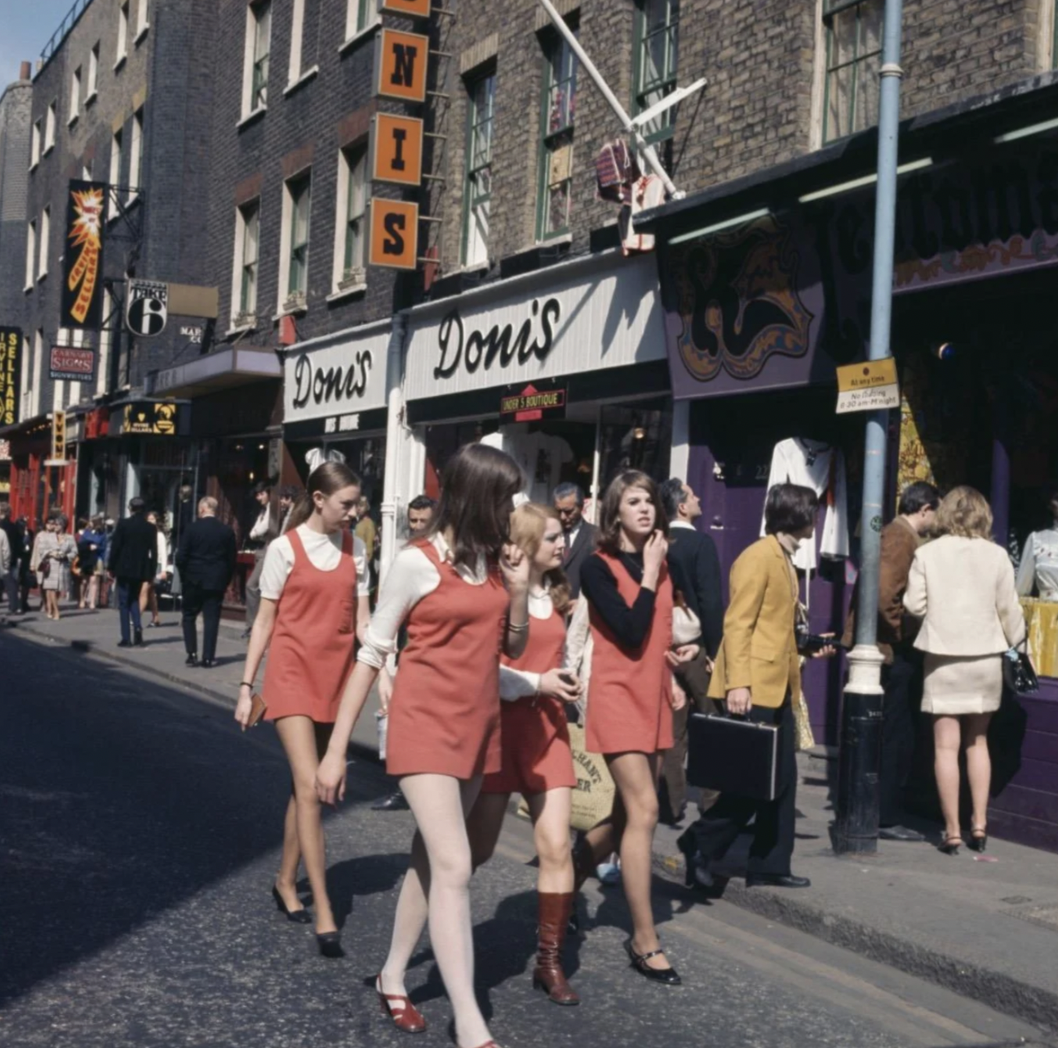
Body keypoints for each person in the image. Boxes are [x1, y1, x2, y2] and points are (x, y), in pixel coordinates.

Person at [315, 443, 530, 1048]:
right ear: (475, 496)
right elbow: (372, 652)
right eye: (504, 497)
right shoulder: (414, 561)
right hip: (423, 725)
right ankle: (470, 1020)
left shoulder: (492, 563)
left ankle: (391, 975)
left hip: (477, 726)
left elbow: (510, 649)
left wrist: (516, 589)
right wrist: (336, 750)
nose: (511, 509)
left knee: (431, 861)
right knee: (456, 865)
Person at [234, 462, 370, 956]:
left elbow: (364, 625)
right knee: (314, 788)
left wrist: (389, 675)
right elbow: (265, 621)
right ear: (318, 498)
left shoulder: (358, 551)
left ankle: (286, 880)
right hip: (289, 677)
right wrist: (247, 686)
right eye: (346, 504)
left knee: (302, 786)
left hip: (335, 679)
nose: (354, 513)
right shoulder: (283, 549)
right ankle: (327, 910)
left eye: (356, 504)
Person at [680, 483, 828, 891]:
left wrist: (807, 646)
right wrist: (739, 685)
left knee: (782, 782)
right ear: (796, 515)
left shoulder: (783, 557)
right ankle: (700, 841)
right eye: (812, 513)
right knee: (753, 781)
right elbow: (738, 623)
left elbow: (774, 626)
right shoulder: (757, 557)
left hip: (778, 685)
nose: (816, 521)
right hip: (754, 686)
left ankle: (770, 863)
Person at [466, 503, 582, 1005]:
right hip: (498, 731)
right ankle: (427, 918)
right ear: (527, 544)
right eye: (553, 537)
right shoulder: (496, 595)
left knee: (557, 847)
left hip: (548, 731)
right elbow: (483, 670)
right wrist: (540, 681)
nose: (563, 544)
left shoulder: (559, 595)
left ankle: (549, 963)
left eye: (563, 536)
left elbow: (565, 657)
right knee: (476, 852)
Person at [572, 470, 684, 986]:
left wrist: (681, 657)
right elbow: (630, 628)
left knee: (624, 815)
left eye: (651, 501)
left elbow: (658, 630)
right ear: (614, 510)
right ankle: (644, 938)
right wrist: (650, 572)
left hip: (655, 695)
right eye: (633, 501)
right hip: (617, 697)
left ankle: (569, 874)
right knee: (646, 809)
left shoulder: (661, 563)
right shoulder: (598, 567)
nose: (645, 509)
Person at [903, 486, 1026, 855]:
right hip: (985, 658)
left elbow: (913, 605)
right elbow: (1011, 613)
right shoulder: (997, 556)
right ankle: (980, 825)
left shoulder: (928, 553)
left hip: (942, 658)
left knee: (945, 747)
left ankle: (952, 832)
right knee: (978, 743)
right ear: (982, 516)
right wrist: (1020, 647)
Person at [842, 480, 940, 841]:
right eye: (936, 511)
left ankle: (875, 810)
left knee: (886, 734)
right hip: (888, 653)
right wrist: (905, 634)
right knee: (894, 735)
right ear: (925, 509)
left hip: (883, 649)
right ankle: (885, 814)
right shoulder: (902, 538)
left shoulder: (894, 535)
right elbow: (884, 595)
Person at [658, 477, 724, 826]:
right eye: (694, 494)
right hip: (697, 650)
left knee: (672, 730)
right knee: (711, 723)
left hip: (665, 650)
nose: (699, 497)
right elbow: (712, 602)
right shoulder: (700, 543)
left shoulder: (655, 543)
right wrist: (716, 651)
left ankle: (671, 803)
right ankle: (712, 804)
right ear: (682, 506)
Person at [371, 493, 438, 814]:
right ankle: (402, 788)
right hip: (406, 654)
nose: (417, 527)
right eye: (413, 521)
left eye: (423, 521)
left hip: (433, 661)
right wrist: (385, 664)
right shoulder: (407, 556)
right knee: (401, 725)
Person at [177, 497, 237, 668]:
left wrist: (184, 576)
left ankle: (191, 653)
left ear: (203, 509)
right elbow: (231, 560)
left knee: (189, 615)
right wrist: (225, 580)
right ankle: (208, 657)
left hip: (193, 579)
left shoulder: (191, 529)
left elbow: (181, 556)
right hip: (215, 580)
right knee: (211, 619)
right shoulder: (226, 531)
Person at [107, 497, 158, 647]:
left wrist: (111, 566)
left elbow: (116, 547)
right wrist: (152, 571)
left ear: (130, 508)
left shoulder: (123, 524)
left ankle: (126, 637)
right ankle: (137, 626)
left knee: (124, 602)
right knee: (134, 599)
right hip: (141, 569)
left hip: (123, 568)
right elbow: (153, 552)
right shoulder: (150, 527)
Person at [243, 480, 277, 637]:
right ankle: (254, 623)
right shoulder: (264, 510)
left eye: (261, 494)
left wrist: (255, 533)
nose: (259, 497)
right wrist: (254, 533)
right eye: (257, 494)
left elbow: (262, 528)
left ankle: (254, 624)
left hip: (268, 549)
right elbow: (256, 528)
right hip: (262, 548)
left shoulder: (272, 509)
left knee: (252, 585)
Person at [554, 482, 597, 601]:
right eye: (558, 511)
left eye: (568, 511)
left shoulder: (596, 536)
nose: (562, 517)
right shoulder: (547, 534)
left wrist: (583, 602)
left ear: (581, 507)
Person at [31, 516, 76, 621]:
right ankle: (55, 610)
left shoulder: (70, 538)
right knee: (50, 589)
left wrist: (65, 556)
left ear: (63, 525)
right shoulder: (48, 536)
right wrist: (51, 553)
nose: (54, 526)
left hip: (62, 566)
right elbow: (41, 549)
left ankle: (52, 607)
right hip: (50, 565)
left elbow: (74, 552)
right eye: (54, 524)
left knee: (58, 590)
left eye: (57, 524)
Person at [139, 510, 169, 628]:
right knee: (151, 593)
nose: (150, 521)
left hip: (157, 564)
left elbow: (163, 552)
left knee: (145, 590)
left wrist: (164, 569)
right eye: (148, 519)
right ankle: (155, 617)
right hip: (147, 564)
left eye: (153, 519)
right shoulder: (145, 533)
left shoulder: (159, 535)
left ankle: (137, 615)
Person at [76, 515, 108, 611]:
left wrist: (97, 547)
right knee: (84, 580)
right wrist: (89, 546)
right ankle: (82, 599)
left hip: (97, 558)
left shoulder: (102, 534)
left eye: (93, 521)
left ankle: (92, 602)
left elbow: (103, 546)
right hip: (87, 558)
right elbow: (81, 544)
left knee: (94, 581)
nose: (91, 523)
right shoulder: (87, 532)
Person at [0, 504, 24, 616]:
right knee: (11, 584)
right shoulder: (14, 526)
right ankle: (14, 606)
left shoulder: (2, 529)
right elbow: (18, 544)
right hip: (10, 558)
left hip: (4, 559)